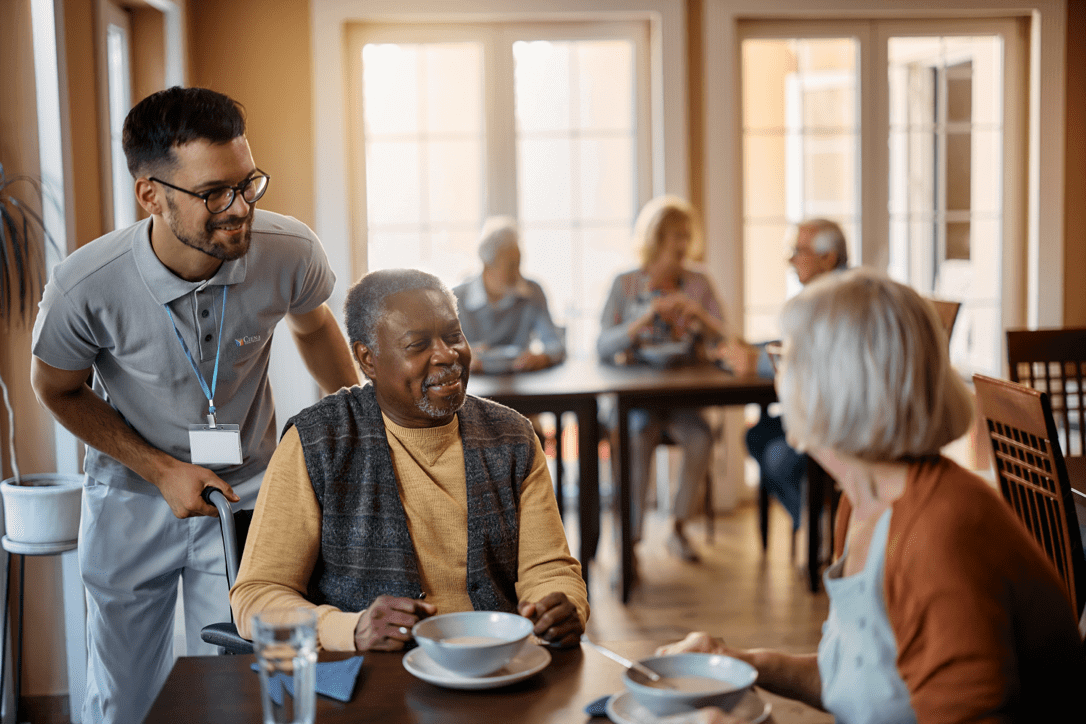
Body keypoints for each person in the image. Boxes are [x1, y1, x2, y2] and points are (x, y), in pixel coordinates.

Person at [30, 87, 360, 724]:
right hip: (130, 500)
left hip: (247, 501)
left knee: (239, 690)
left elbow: (314, 326)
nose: (240, 209)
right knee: (124, 702)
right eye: (214, 193)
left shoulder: (288, 250)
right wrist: (160, 470)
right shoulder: (84, 286)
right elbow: (56, 389)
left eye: (247, 184)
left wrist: (355, 425)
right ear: (150, 194)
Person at [658, 268, 1086, 723]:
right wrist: (735, 662)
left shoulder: (942, 532)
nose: (780, 377)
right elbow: (861, 681)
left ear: (839, 387)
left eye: (789, 359)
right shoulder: (861, 503)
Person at [230, 268, 588, 652]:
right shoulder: (318, 442)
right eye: (418, 346)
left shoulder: (513, 436)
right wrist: (351, 629)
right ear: (368, 360)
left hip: (494, 668)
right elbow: (256, 596)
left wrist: (562, 603)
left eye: (454, 336)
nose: (447, 355)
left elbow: (549, 569)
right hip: (375, 681)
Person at [597, 195, 726, 565]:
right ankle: (630, 543)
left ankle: (679, 528)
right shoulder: (625, 285)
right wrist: (644, 318)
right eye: (675, 237)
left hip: (683, 399)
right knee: (636, 439)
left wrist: (700, 314)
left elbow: (726, 339)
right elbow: (603, 345)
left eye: (687, 236)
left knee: (701, 438)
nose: (683, 245)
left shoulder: (699, 284)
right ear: (655, 239)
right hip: (636, 401)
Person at [718, 218, 848, 532]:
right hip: (821, 411)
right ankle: (812, 520)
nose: (790, 260)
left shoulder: (840, 298)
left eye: (799, 251)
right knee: (756, 436)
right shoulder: (823, 295)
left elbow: (813, 361)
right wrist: (751, 350)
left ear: (827, 258)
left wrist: (755, 361)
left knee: (777, 455)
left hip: (840, 419)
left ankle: (817, 524)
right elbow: (796, 347)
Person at [453, 216, 565, 373]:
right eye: (511, 266)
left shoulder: (532, 292)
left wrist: (543, 357)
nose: (517, 274)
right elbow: (442, 352)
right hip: (473, 389)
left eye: (519, 263)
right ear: (488, 266)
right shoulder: (456, 299)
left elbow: (556, 344)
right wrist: (461, 357)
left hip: (520, 385)